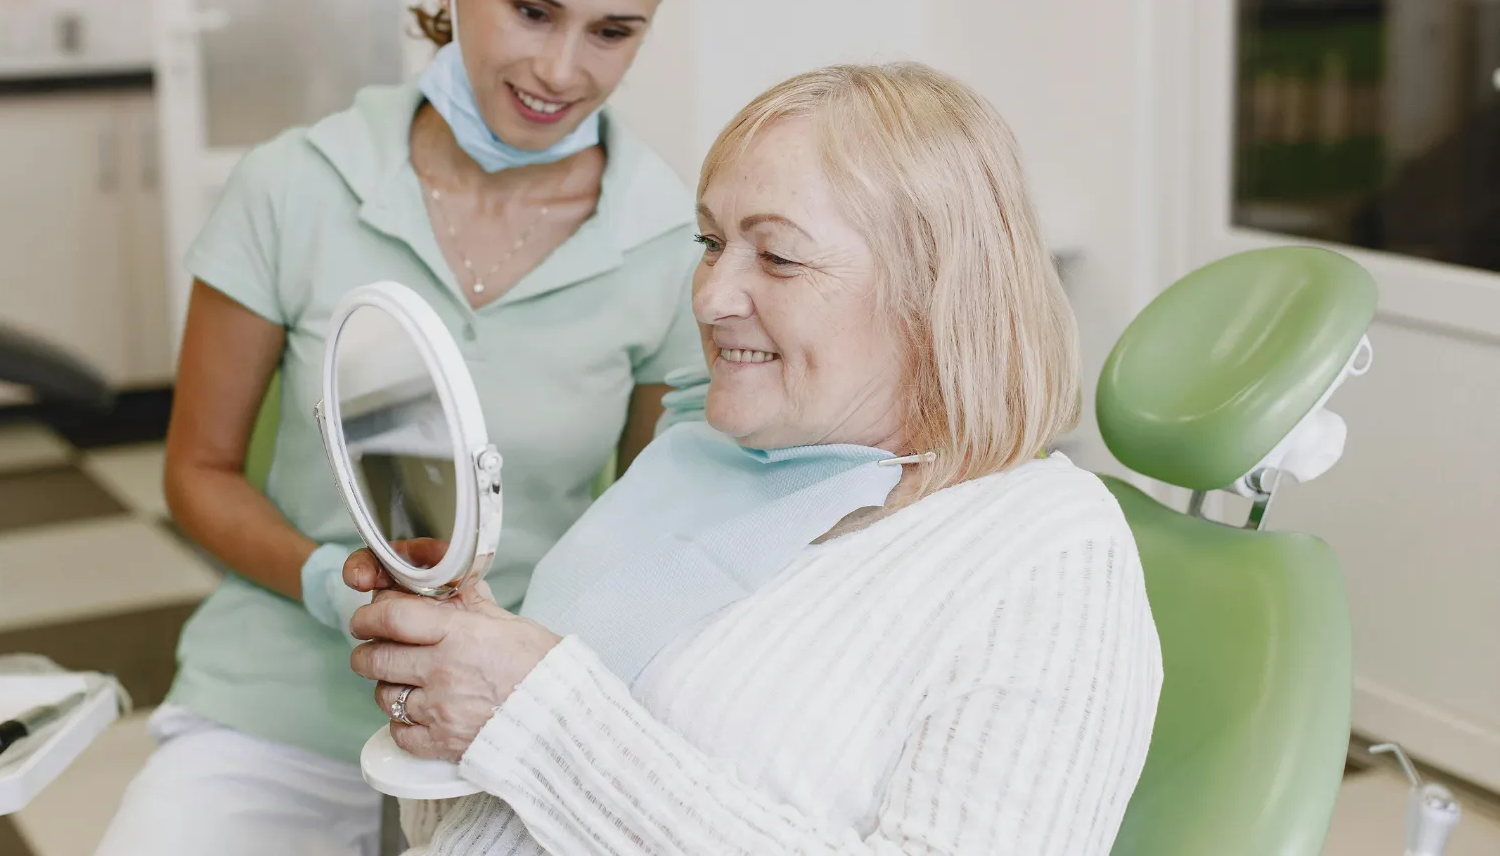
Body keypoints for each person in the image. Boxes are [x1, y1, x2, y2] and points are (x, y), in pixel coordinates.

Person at [347, 63, 1164, 856]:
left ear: (936, 293)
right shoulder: (700, 462)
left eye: (776, 256)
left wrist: (535, 711)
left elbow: (552, 734)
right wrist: (455, 674)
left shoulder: (1045, 553)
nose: (708, 296)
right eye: (711, 242)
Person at [95, 0, 700, 856]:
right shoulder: (297, 185)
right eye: (529, 10)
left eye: (612, 32)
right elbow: (197, 470)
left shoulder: (666, 240)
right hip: (281, 689)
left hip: (518, 713)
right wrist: (329, 584)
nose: (561, 71)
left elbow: (651, 526)